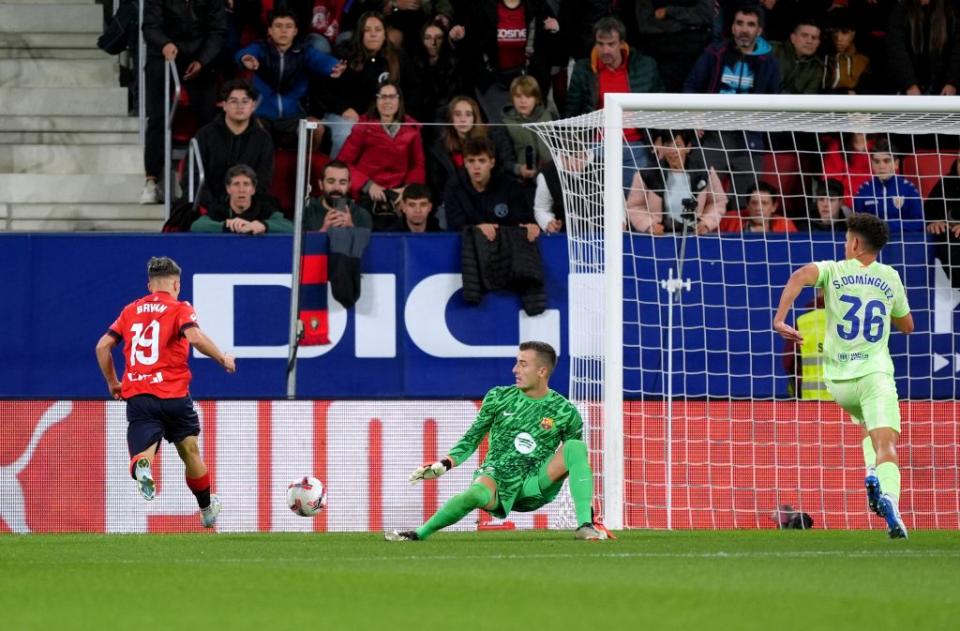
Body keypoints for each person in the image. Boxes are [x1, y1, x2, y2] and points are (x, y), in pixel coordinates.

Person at [773, 213, 915, 538]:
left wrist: (781, 320)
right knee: (887, 443)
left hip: (838, 383)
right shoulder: (889, 277)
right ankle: (890, 500)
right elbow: (908, 326)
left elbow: (799, 275)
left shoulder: (832, 271)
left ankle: (872, 474)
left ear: (853, 243)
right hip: (874, 374)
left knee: (868, 427)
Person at [385, 341, 610, 541]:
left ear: (541, 371)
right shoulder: (498, 397)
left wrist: (588, 512)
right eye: (516, 363)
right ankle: (418, 533)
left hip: (536, 483)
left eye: (523, 364)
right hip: (497, 477)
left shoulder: (565, 411)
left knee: (576, 446)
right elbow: (473, 436)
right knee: (474, 494)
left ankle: (585, 526)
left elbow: (576, 461)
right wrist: (446, 463)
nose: (515, 369)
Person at [94, 256, 236, 528]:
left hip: (139, 395)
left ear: (150, 285)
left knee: (142, 454)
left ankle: (143, 467)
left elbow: (102, 346)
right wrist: (222, 359)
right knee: (190, 451)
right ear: (176, 284)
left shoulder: (130, 310)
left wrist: (113, 382)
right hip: (175, 396)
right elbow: (194, 337)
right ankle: (206, 509)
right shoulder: (180, 308)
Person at [683, 5, 779, 209]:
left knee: (746, 203)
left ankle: (740, 241)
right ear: (733, 28)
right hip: (713, 134)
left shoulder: (768, 61)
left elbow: (774, 98)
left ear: (759, 30)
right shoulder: (715, 53)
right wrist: (696, 117)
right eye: (740, 23)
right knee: (699, 195)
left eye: (751, 25)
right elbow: (692, 85)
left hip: (749, 137)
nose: (744, 29)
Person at [140, 0, 227, 204]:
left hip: (199, 58)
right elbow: (150, 26)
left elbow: (217, 31)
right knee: (159, 117)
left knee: (208, 119)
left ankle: (204, 179)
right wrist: (164, 43)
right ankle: (152, 180)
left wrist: (203, 60)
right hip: (164, 56)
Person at [235, 8, 346, 150]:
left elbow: (321, 60)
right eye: (278, 26)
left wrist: (333, 66)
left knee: (316, 129)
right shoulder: (261, 48)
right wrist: (245, 58)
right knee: (250, 128)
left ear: (295, 31)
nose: (283, 31)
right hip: (263, 114)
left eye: (288, 26)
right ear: (270, 30)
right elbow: (244, 53)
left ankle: (306, 170)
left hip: (294, 116)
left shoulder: (304, 51)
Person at [337, 80, 426, 230]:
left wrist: (408, 189)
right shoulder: (363, 126)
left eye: (392, 97)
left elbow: (417, 164)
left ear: (399, 100)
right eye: (382, 97)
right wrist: (368, 185)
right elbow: (342, 164)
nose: (387, 101)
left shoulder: (412, 128)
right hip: (367, 194)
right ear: (376, 100)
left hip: (399, 193)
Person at [625, 128, 727, 235]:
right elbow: (635, 206)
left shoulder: (705, 172)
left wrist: (706, 223)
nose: (673, 150)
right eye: (668, 145)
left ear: (688, 147)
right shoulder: (646, 174)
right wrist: (649, 225)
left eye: (678, 145)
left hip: (694, 236)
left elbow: (718, 202)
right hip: (659, 237)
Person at [192, 80, 275, 209]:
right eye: (233, 101)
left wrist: (243, 206)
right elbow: (193, 177)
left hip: (248, 208)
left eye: (245, 101)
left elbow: (263, 180)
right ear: (224, 105)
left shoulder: (263, 139)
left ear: (253, 106)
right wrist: (213, 206)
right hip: (209, 208)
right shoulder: (205, 135)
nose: (239, 106)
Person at [443, 137, 537, 240]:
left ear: (492, 163)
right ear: (465, 163)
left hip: (504, 246)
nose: (476, 166)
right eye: (471, 161)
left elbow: (519, 223)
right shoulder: (454, 188)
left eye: (482, 161)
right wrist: (476, 230)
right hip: (467, 247)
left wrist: (528, 227)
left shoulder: (510, 186)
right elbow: (455, 227)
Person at [885, 0, 960, 95]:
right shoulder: (901, 8)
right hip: (908, 88)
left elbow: (957, 49)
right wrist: (910, 84)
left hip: (943, 88)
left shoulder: (950, 8)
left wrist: (952, 83)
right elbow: (896, 49)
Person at [191, 165, 292, 234]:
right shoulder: (220, 208)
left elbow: (291, 227)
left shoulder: (264, 207)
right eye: (236, 184)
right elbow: (196, 226)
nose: (241, 190)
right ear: (228, 189)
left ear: (253, 189)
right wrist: (226, 226)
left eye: (246, 184)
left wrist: (263, 225)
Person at [853, 138, 924, 232]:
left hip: (903, 243)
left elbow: (919, 224)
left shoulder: (909, 189)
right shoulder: (864, 190)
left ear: (896, 164)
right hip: (873, 244)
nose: (881, 166)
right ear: (872, 164)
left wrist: (889, 225)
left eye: (886, 161)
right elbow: (857, 226)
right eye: (877, 161)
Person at [303, 160, 374, 231]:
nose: (336, 188)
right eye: (331, 181)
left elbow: (366, 241)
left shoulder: (362, 215)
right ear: (321, 184)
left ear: (349, 186)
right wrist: (324, 230)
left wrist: (351, 228)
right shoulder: (306, 212)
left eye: (342, 182)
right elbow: (299, 241)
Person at [925, 156, 960, 289]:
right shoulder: (945, 183)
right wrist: (933, 221)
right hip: (949, 237)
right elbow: (929, 208)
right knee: (942, 234)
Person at [821, 8, 870, 94]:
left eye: (844, 32)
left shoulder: (863, 61)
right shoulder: (821, 57)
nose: (838, 38)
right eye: (834, 32)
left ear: (853, 34)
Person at [772, 17, 824, 94]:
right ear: (793, 38)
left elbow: (807, 99)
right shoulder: (773, 50)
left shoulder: (816, 67)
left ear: (818, 43)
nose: (809, 41)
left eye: (814, 38)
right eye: (804, 35)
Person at [720, 182, 798, 233]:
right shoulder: (728, 220)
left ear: (774, 207)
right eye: (754, 203)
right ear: (747, 205)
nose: (759, 208)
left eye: (764, 203)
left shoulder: (786, 225)